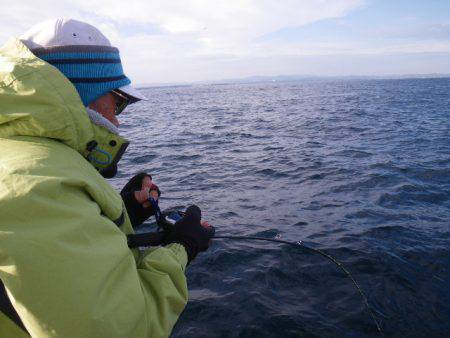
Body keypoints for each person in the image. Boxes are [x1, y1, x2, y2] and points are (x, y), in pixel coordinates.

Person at [0, 18, 213, 338]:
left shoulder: (22, 157)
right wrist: (182, 247)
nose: (116, 118)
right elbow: (124, 327)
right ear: (80, 91)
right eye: (118, 102)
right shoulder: (34, 186)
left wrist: (121, 213)